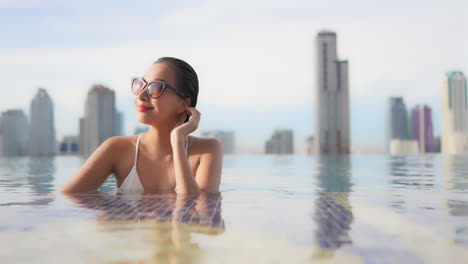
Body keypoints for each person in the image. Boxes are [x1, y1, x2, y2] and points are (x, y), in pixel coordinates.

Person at [60, 57, 223, 198]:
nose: (141, 95)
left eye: (156, 87)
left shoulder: (208, 150)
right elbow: (67, 199)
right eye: (141, 85)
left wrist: (178, 141)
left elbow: (196, 209)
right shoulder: (116, 148)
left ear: (183, 104)